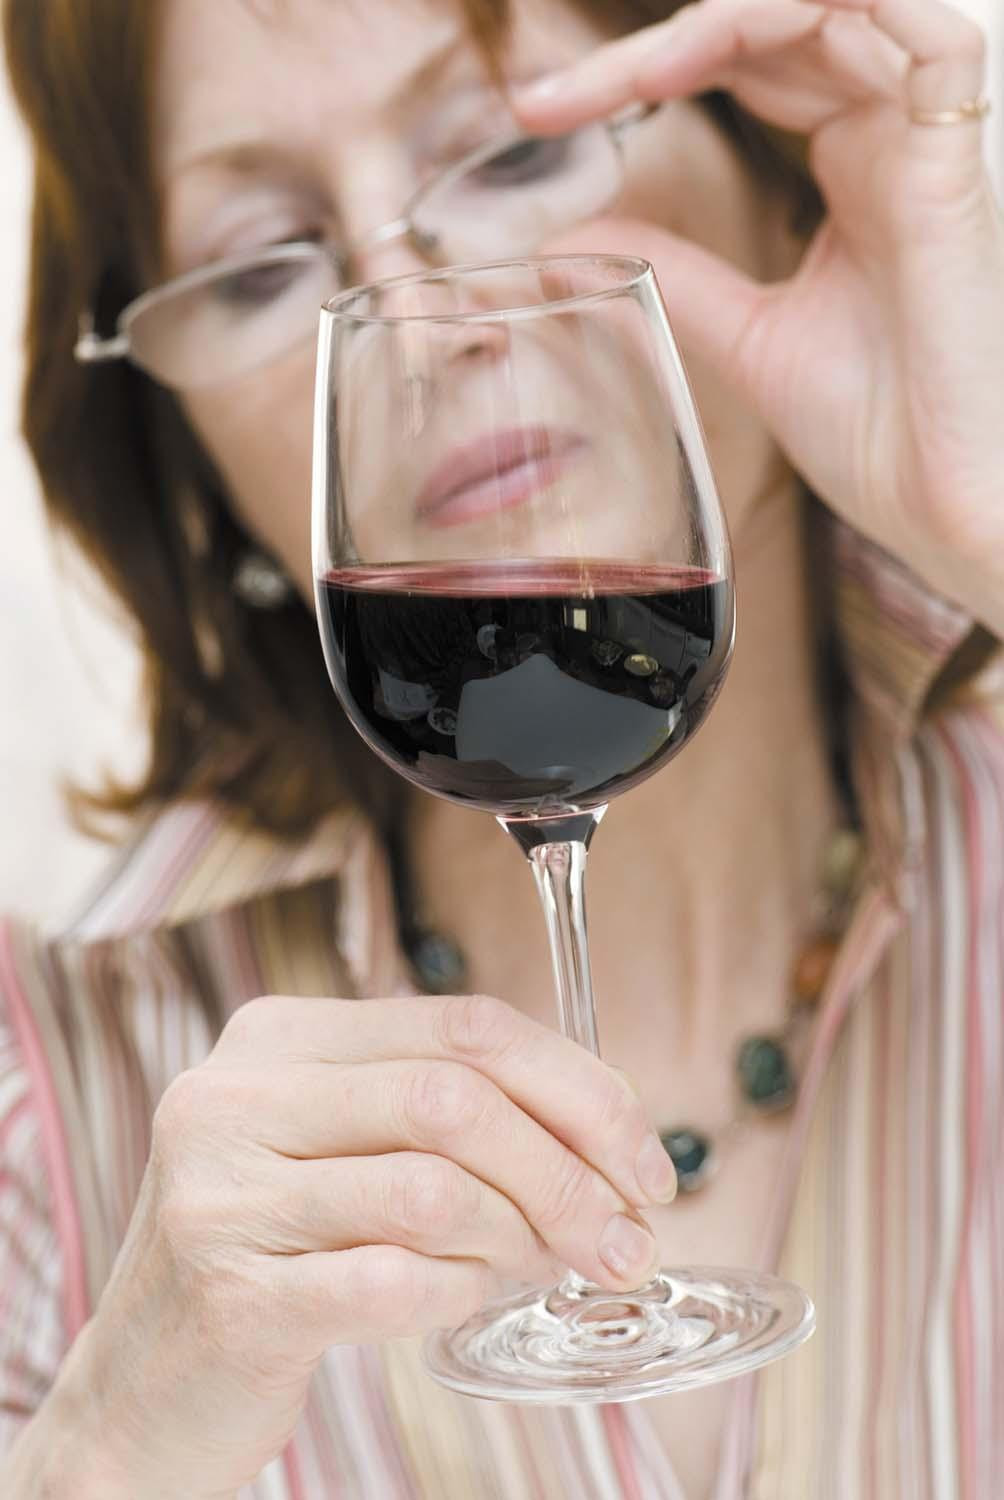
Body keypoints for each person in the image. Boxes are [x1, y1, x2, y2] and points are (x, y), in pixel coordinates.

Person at [2, 0, 1002, 1495]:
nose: (417, 316)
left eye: (511, 155)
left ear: (774, 149)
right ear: (181, 447)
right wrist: (116, 1444)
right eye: (268, 263)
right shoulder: (48, 1104)